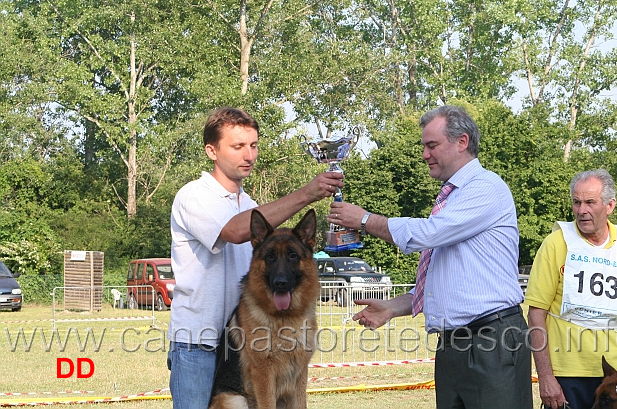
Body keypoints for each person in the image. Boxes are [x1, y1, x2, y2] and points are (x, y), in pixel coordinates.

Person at [328, 105, 532, 408]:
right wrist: (393, 307)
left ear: (462, 142)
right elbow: (445, 283)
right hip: (455, 345)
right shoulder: (453, 198)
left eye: (431, 145)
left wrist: (363, 219)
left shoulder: (486, 188)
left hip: (492, 343)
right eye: (424, 146)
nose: (425, 154)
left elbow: (427, 234)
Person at [167, 107, 344, 409]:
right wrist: (307, 194)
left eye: (253, 145)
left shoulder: (250, 205)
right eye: (237, 146)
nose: (248, 155)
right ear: (212, 150)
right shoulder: (194, 195)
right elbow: (235, 231)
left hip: (240, 335)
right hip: (198, 342)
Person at [525, 169, 617, 409]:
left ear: (610, 205)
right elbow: (536, 314)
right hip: (567, 373)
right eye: (576, 202)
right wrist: (545, 376)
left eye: (590, 202)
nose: (581, 210)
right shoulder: (555, 243)